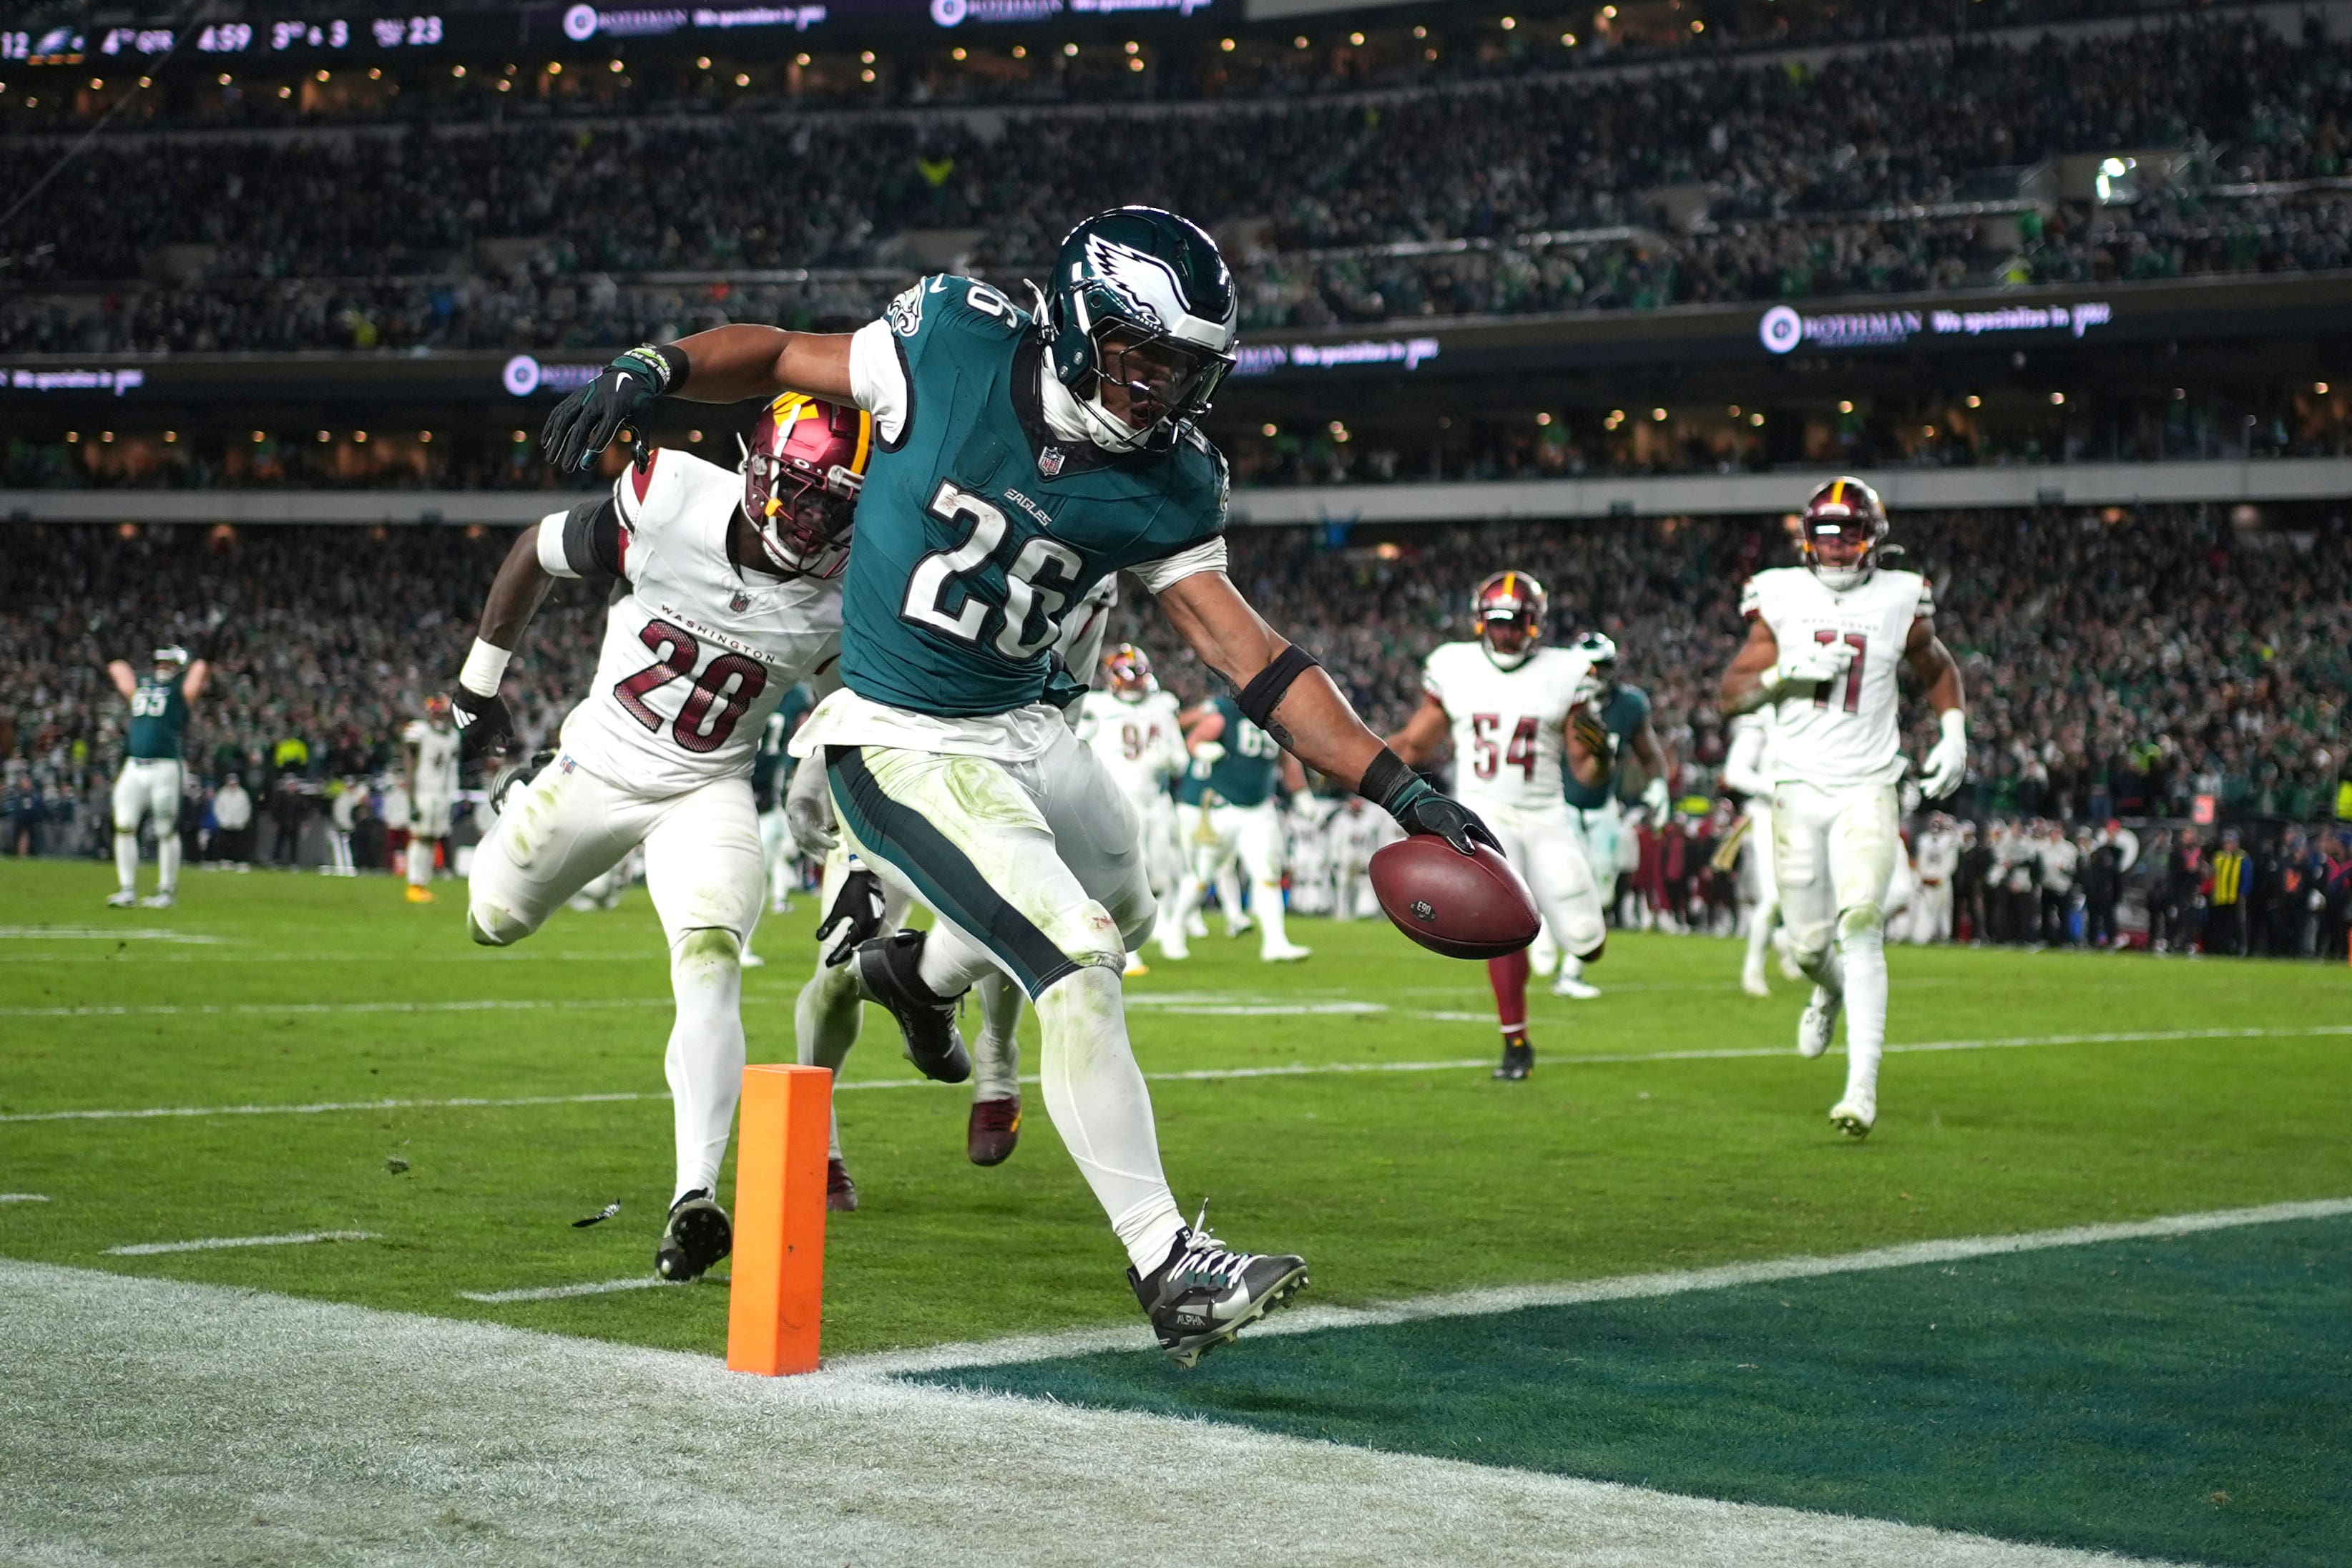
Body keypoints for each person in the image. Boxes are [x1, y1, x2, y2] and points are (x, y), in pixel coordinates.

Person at [542, 206, 1500, 1364]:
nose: (1158, 392)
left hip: (1028, 726)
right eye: (1142, 358)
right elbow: (786, 352)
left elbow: (1249, 655)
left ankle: (916, 970)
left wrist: (1398, 787)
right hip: (900, 737)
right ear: (1084, 328)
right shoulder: (949, 342)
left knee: (1134, 908)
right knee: (1077, 953)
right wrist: (660, 368)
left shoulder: (1168, 479)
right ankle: (1166, 1262)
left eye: (1182, 371)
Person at [456, 391, 871, 1284]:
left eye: (838, 502)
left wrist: (818, 784)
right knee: (492, 918)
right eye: (805, 492)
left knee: (714, 956)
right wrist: (478, 683)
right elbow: (538, 548)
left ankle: (696, 1193)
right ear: (757, 471)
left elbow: (849, 700)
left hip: (708, 787)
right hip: (598, 767)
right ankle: (522, 795)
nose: (816, 518)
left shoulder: (844, 595)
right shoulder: (669, 496)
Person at [1718, 476, 1967, 1140]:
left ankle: (1861, 1089)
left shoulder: (1899, 596)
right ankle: (1825, 990)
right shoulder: (1780, 593)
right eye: (1825, 536)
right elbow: (1730, 695)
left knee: (1861, 922)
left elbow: (1936, 667)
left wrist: (1953, 730)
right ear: (1807, 540)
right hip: (1797, 788)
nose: (1834, 549)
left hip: (1868, 783)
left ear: (1873, 540)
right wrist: (1786, 677)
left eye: (1849, 534)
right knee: (1806, 950)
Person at [1386, 570, 1609, 1077]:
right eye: (1499, 622)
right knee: (1500, 928)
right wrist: (1361, 766)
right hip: (1484, 816)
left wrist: (1604, 755)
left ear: (1536, 625)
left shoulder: (1567, 670)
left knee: (1588, 941)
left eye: (1518, 624)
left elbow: (1588, 770)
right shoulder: (1454, 666)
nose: (1507, 634)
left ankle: (1559, 942)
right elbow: (1417, 743)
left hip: (1547, 815)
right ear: (1480, 622)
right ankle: (1516, 1042)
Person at [1553, 631, 1675, 998]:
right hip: (1557, 806)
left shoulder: (1629, 705)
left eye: (1601, 666)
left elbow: (1650, 754)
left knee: (1602, 894)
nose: (1594, 674)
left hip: (1602, 807)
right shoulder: (1556, 699)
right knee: (1556, 883)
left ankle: (1570, 972)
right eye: (1587, 667)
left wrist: (1659, 787)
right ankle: (1542, 943)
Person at [1165, 685, 1313, 964]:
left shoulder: (1278, 723)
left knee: (1266, 873)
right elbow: (1194, 741)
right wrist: (1203, 749)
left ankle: (1275, 942)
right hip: (1224, 807)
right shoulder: (1225, 714)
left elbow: (1289, 763)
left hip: (1259, 809)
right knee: (1202, 874)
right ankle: (1175, 929)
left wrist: (1302, 794)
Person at [1074, 643, 1188, 969]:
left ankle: (1167, 932)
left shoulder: (1162, 707)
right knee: (1128, 876)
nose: (1136, 681)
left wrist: (1167, 757)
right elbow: (1074, 746)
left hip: (1158, 802)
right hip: (1117, 801)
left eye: (1139, 674)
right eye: (1130, 674)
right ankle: (1127, 947)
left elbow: (1180, 761)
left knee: (1160, 877)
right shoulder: (1096, 707)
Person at [104, 638, 217, 908]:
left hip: (165, 766)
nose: (164, 666)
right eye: (162, 662)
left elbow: (201, 671)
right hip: (134, 764)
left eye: (170, 663)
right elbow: (120, 675)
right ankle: (127, 889)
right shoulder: (142, 685)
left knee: (165, 829)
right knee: (124, 825)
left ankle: (166, 891)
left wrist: (213, 644)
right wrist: (103, 639)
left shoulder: (180, 690)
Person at [1720, 705, 1793, 990]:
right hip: (1766, 814)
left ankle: (1787, 945)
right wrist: (1776, 789)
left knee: (1812, 891)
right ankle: (1753, 968)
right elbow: (1735, 772)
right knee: (1773, 896)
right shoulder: (1760, 722)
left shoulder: (1812, 715)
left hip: (1803, 814)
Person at [401, 695, 462, 904]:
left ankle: (422, 884)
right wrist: (411, 797)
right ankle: (415, 884)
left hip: (442, 794)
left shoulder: (453, 736)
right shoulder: (420, 731)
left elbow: (452, 769)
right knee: (420, 837)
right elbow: (410, 764)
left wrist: (452, 795)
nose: (443, 717)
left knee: (432, 838)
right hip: (424, 791)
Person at [1912, 812, 1961, 944]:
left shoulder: (1950, 840)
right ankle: (1924, 935)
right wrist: (1922, 877)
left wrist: (1941, 878)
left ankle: (1943, 935)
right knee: (1924, 907)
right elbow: (1920, 859)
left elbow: (1951, 861)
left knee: (1943, 908)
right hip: (1926, 879)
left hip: (1941, 880)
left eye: (1938, 822)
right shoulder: (1923, 839)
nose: (1935, 825)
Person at [2204, 826, 2250, 957]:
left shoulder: (2243, 858)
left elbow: (2247, 878)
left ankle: (2238, 948)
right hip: (2219, 897)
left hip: (2234, 897)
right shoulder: (2219, 857)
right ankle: (2220, 948)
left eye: (2231, 842)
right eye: (2226, 842)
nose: (2228, 845)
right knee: (2220, 926)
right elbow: (2212, 876)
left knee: (2236, 925)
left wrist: (2243, 893)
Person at [212, 772, 254, 866]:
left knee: (238, 844)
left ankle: (239, 862)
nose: (232, 786)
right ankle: (225, 861)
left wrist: (243, 821)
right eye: (231, 784)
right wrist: (221, 820)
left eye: (234, 784)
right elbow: (217, 808)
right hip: (225, 823)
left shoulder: (242, 794)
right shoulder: (222, 793)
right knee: (224, 844)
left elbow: (247, 809)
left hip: (238, 824)